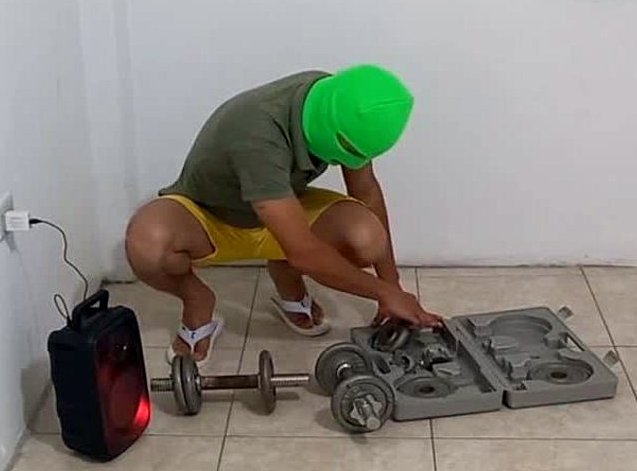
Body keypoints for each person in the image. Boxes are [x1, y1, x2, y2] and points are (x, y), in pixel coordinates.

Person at [124, 64, 443, 366]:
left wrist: (392, 285)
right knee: (148, 244)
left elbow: (366, 192)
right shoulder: (257, 134)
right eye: (348, 152)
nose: (347, 162)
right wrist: (384, 292)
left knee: (367, 238)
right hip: (210, 217)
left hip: (282, 210)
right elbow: (303, 251)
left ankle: (286, 276)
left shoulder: (342, 102)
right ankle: (197, 301)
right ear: (330, 129)